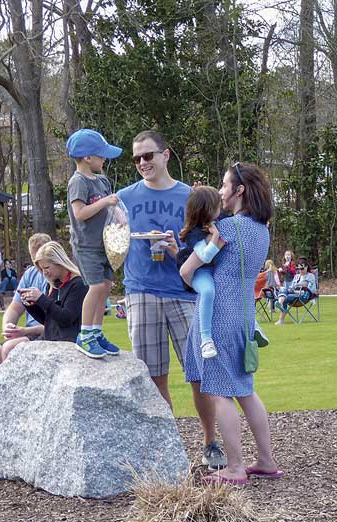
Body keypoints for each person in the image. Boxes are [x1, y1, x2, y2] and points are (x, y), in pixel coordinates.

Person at [117, 130, 224, 471]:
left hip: (183, 293)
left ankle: (210, 442)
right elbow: (109, 238)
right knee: (154, 376)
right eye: (136, 159)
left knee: (199, 373)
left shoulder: (190, 197)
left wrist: (180, 250)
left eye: (148, 155)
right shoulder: (123, 198)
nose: (142, 163)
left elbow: (211, 242)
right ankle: (169, 444)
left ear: (166, 155)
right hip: (141, 291)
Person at [184, 161, 280, 485]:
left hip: (217, 318)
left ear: (239, 190)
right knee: (247, 392)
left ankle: (236, 468)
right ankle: (266, 461)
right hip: (244, 318)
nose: (221, 191)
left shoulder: (225, 230)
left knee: (220, 394)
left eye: (224, 186)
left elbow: (187, 271)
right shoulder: (262, 231)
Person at [0, 239, 85, 436]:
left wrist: (42, 299)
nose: (44, 273)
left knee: (11, 348)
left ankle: (11, 415)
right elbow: (50, 320)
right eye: (41, 269)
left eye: (47, 268)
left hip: (62, 343)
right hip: (48, 338)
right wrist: (32, 304)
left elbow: (67, 320)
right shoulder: (55, 284)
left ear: (59, 262)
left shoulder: (78, 285)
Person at [66, 128, 123, 358]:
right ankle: (85, 334)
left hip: (105, 244)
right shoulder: (78, 181)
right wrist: (105, 203)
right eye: (101, 155)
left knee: (106, 288)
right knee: (96, 287)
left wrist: (118, 215)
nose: (104, 159)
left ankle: (97, 332)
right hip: (86, 245)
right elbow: (79, 213)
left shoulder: (102, 181)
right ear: (87, 157)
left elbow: (112, 209)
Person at [177, 186, 227, 359]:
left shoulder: (220, 219)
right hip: (201, 272)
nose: (220, 209)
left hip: (215, 269)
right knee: (207, 291)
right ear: (207, 210)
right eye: (217, 206)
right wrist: (215, 237)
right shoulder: (194, 233)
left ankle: (254, 325)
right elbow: (205, 256)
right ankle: (206, 339)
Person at [274, 257, 317, 325]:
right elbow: (291, 287)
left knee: (284, 295)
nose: (300, 270)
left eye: (302, 268)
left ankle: (280, 310)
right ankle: (280, 304)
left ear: (306, 267)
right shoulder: (297, 276)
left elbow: (311, 290)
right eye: (298, 269)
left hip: (303, 296)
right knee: (283, 289)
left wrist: (297, 291)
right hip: (294, 294)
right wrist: (290, 290)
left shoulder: (311, 276)